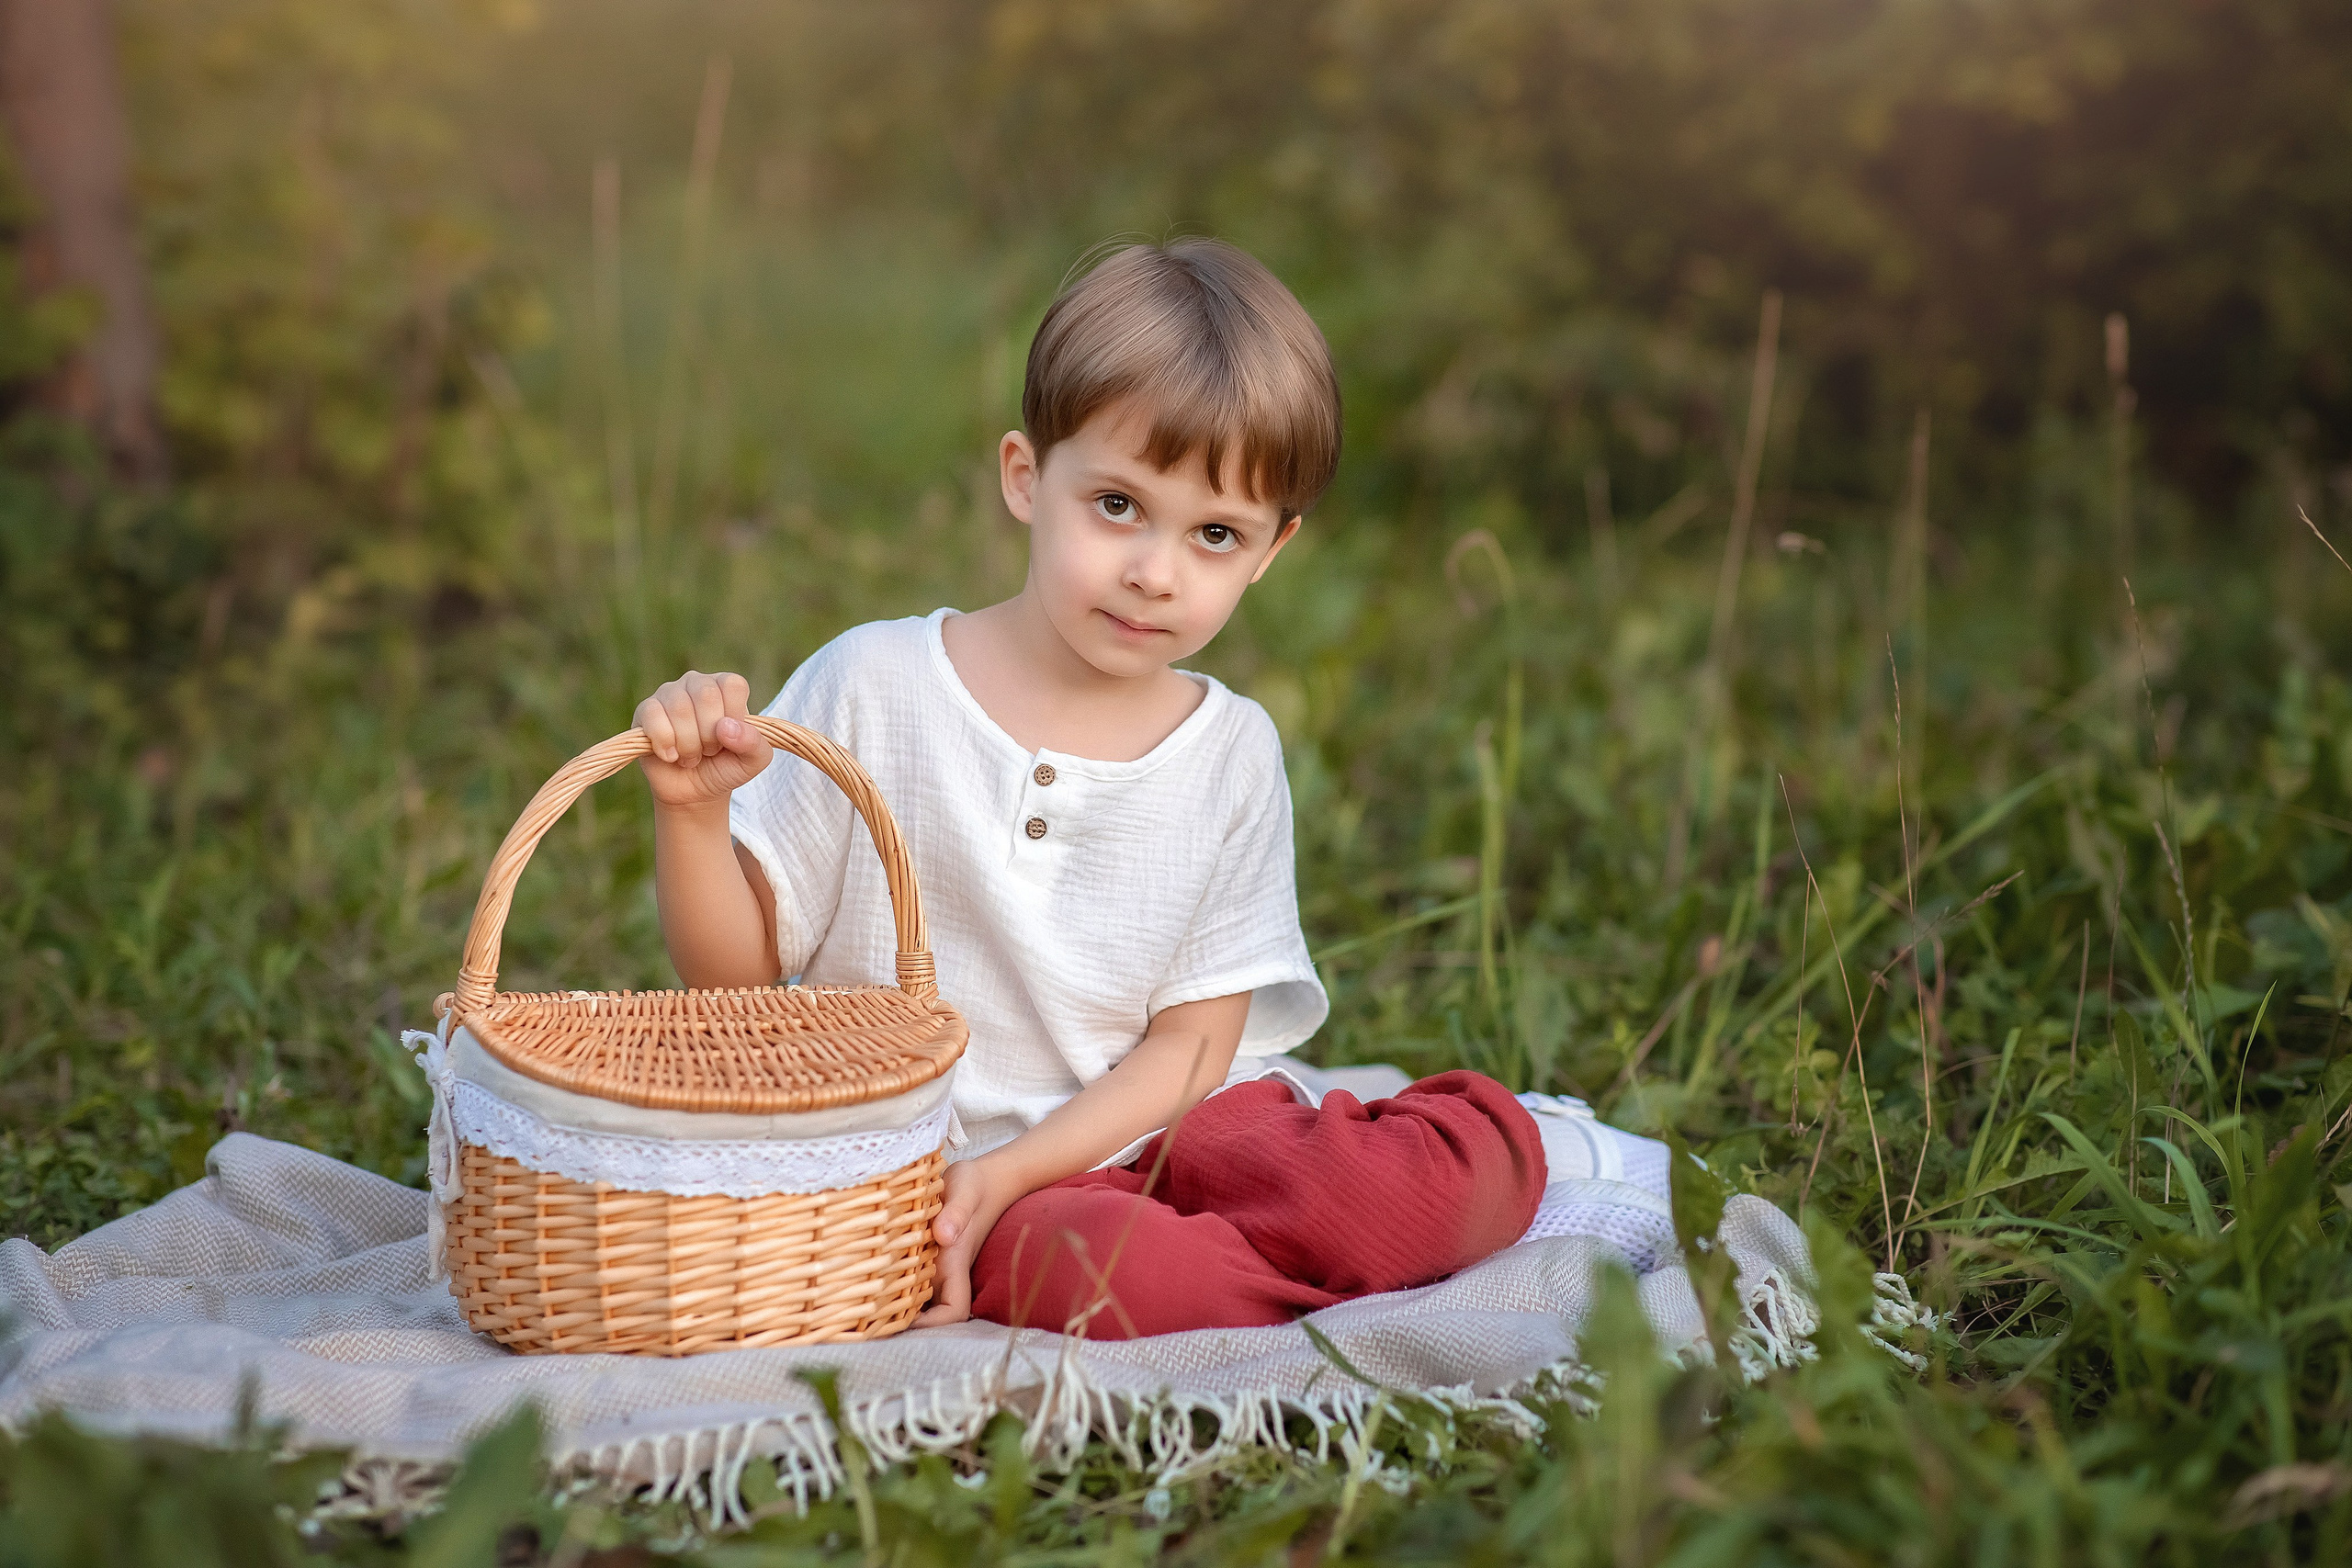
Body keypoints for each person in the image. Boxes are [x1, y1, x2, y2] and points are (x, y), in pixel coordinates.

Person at [629, 237, 1545, 1337]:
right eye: (1116, 505)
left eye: (1215, 535)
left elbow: (1193, 1048)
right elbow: (735, 979)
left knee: (1423, 1183)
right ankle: (1292, 1295)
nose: (1155, 572)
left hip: (1165, 1128)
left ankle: (1483, 1147)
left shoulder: (1229, 751)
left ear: (1271, 551)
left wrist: (1029, 1163)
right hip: (956, 1185)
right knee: (1104, 1277)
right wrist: (693, 815)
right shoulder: (872, 684)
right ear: (1026, 477)